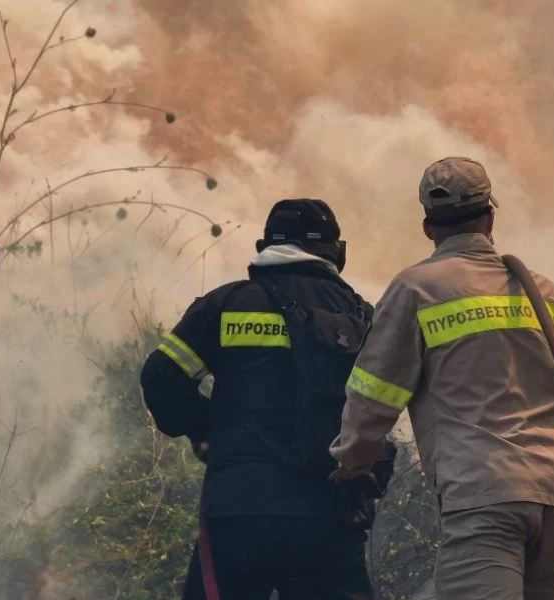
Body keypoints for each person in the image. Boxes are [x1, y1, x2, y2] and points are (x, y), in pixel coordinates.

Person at [329, 157, 554, 600]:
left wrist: (352, 462)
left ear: (428, 227)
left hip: (483, 496)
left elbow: (375, 394)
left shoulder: (417, 290)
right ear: (490, 217)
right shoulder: (545, 293)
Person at [140, 198, 396, 600]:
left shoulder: (222, 306)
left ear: (264, 246)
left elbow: (160, 376)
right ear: (335, 251)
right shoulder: (362, 316)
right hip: (328, 513)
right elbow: (382, 407)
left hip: (239, 510)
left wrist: (208, 433)